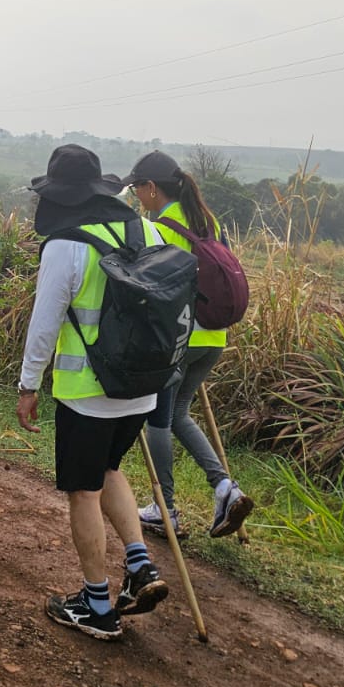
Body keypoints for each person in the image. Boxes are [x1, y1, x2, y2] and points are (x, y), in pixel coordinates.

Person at [15, 144, 170, 641]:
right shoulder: (145, 229)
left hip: (87, 390)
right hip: (143, 386)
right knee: (109, 470)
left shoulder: (65, 244)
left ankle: (97, 606)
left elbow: (44, 324)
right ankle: (141, 565)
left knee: (83, 490)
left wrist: (28, 384)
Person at [124, 149, 254, 540]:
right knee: (180, 411)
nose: (135, 197)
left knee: (158, 419)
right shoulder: (206, 219)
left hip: (177, 338)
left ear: (151, 188)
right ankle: (224, 488)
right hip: (213, 336)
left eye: (137, 189)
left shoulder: (160, 227)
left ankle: (166, 510)